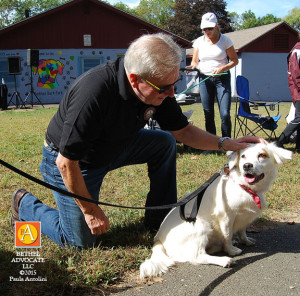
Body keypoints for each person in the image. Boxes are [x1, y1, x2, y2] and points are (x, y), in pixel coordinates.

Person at [11, 33, 263, 249]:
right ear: (135, 80)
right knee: (80, 242)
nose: (171, 93)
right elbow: (66, 162)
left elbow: (183, 132)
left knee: (164, 142)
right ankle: (24, 204)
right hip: (75, 162)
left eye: (175, 84)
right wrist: (91, 211)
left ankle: (158, 218)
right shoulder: (93, 93)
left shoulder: (158, 88)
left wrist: (226, 143)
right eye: (165, 88)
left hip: (115, 146)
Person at [191, 12, 238, 139]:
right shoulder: (198, 42)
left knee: (225, 114)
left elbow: (235, 60)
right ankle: (212, 143)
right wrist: (192, 67)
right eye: (204, 29)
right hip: (204, 79)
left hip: (222, 79)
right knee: (208, 113)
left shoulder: (225, 40)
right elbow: (195, 61)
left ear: (216, 26)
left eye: (210, 28)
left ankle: (226, 142)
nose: (207, 31)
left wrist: (222, 68)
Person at [277, 41, 300, 153]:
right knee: (299, 118)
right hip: (298, 91)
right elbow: (296, 76)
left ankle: (299, 147)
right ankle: (280, 142)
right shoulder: (297, 51)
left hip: (297, 90)